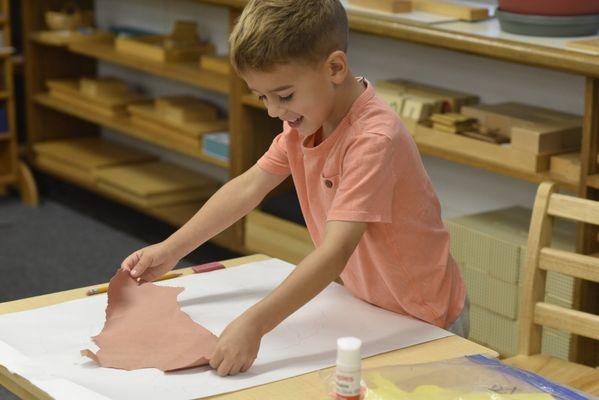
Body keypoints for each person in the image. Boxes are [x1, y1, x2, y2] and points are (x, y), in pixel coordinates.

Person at [121, 0, 467, 377]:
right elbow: (249, 187)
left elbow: (335, 251)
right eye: (262, 97)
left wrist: (256, 323)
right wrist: (172, 249)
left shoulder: (373, 140)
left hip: (424, 319)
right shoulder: (306, 122)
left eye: (283, 96)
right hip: (370, 307)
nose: (273, 111)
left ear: (335, 68)